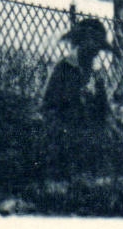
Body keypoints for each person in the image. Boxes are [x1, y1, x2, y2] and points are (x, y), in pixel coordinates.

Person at [41, 18, 116, 169]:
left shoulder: (96, 73)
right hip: (64, 129)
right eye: (92, 47)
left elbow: (103, 108)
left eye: (98, 49)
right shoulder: (64, 68)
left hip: (89, 132)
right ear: (80, 44)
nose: (95, 52)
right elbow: (50, 105)